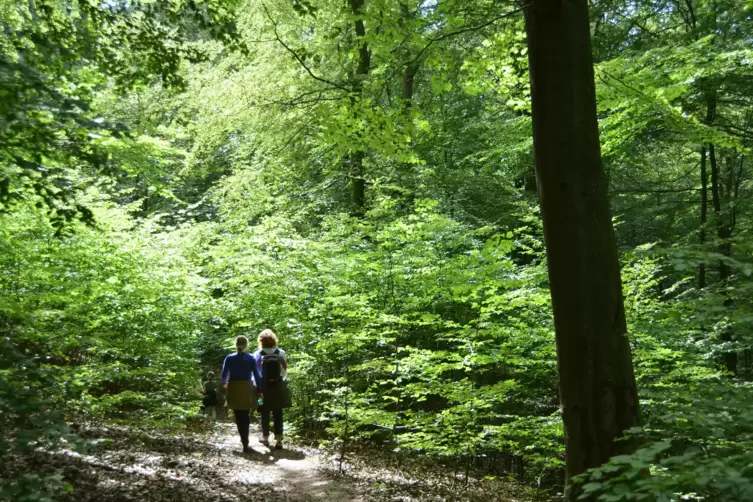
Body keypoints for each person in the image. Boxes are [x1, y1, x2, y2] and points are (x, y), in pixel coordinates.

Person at [222, 335, 263, 453]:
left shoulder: (229, 358)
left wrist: (225, 384)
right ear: (246, 345)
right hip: (247, 387)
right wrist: (259, 390)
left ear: (236, 344)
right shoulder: (250, 358)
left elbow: (224, 375)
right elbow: (257, 375)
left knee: (238, 414)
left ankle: (243, 440)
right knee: (245, 413)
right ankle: (246, 441)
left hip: (234, 387)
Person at [254, 329, 290, 450]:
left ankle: (265, 437)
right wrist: (278, 380)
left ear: (261, 341)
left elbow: (255, 374)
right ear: (274, 340)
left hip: (262, 389)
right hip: (278, 387)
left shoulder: (258, 354)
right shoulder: (281, 353)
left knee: (263, 410)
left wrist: (257, 387)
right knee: (278, 412)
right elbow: (284, 373)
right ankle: (279, 439)